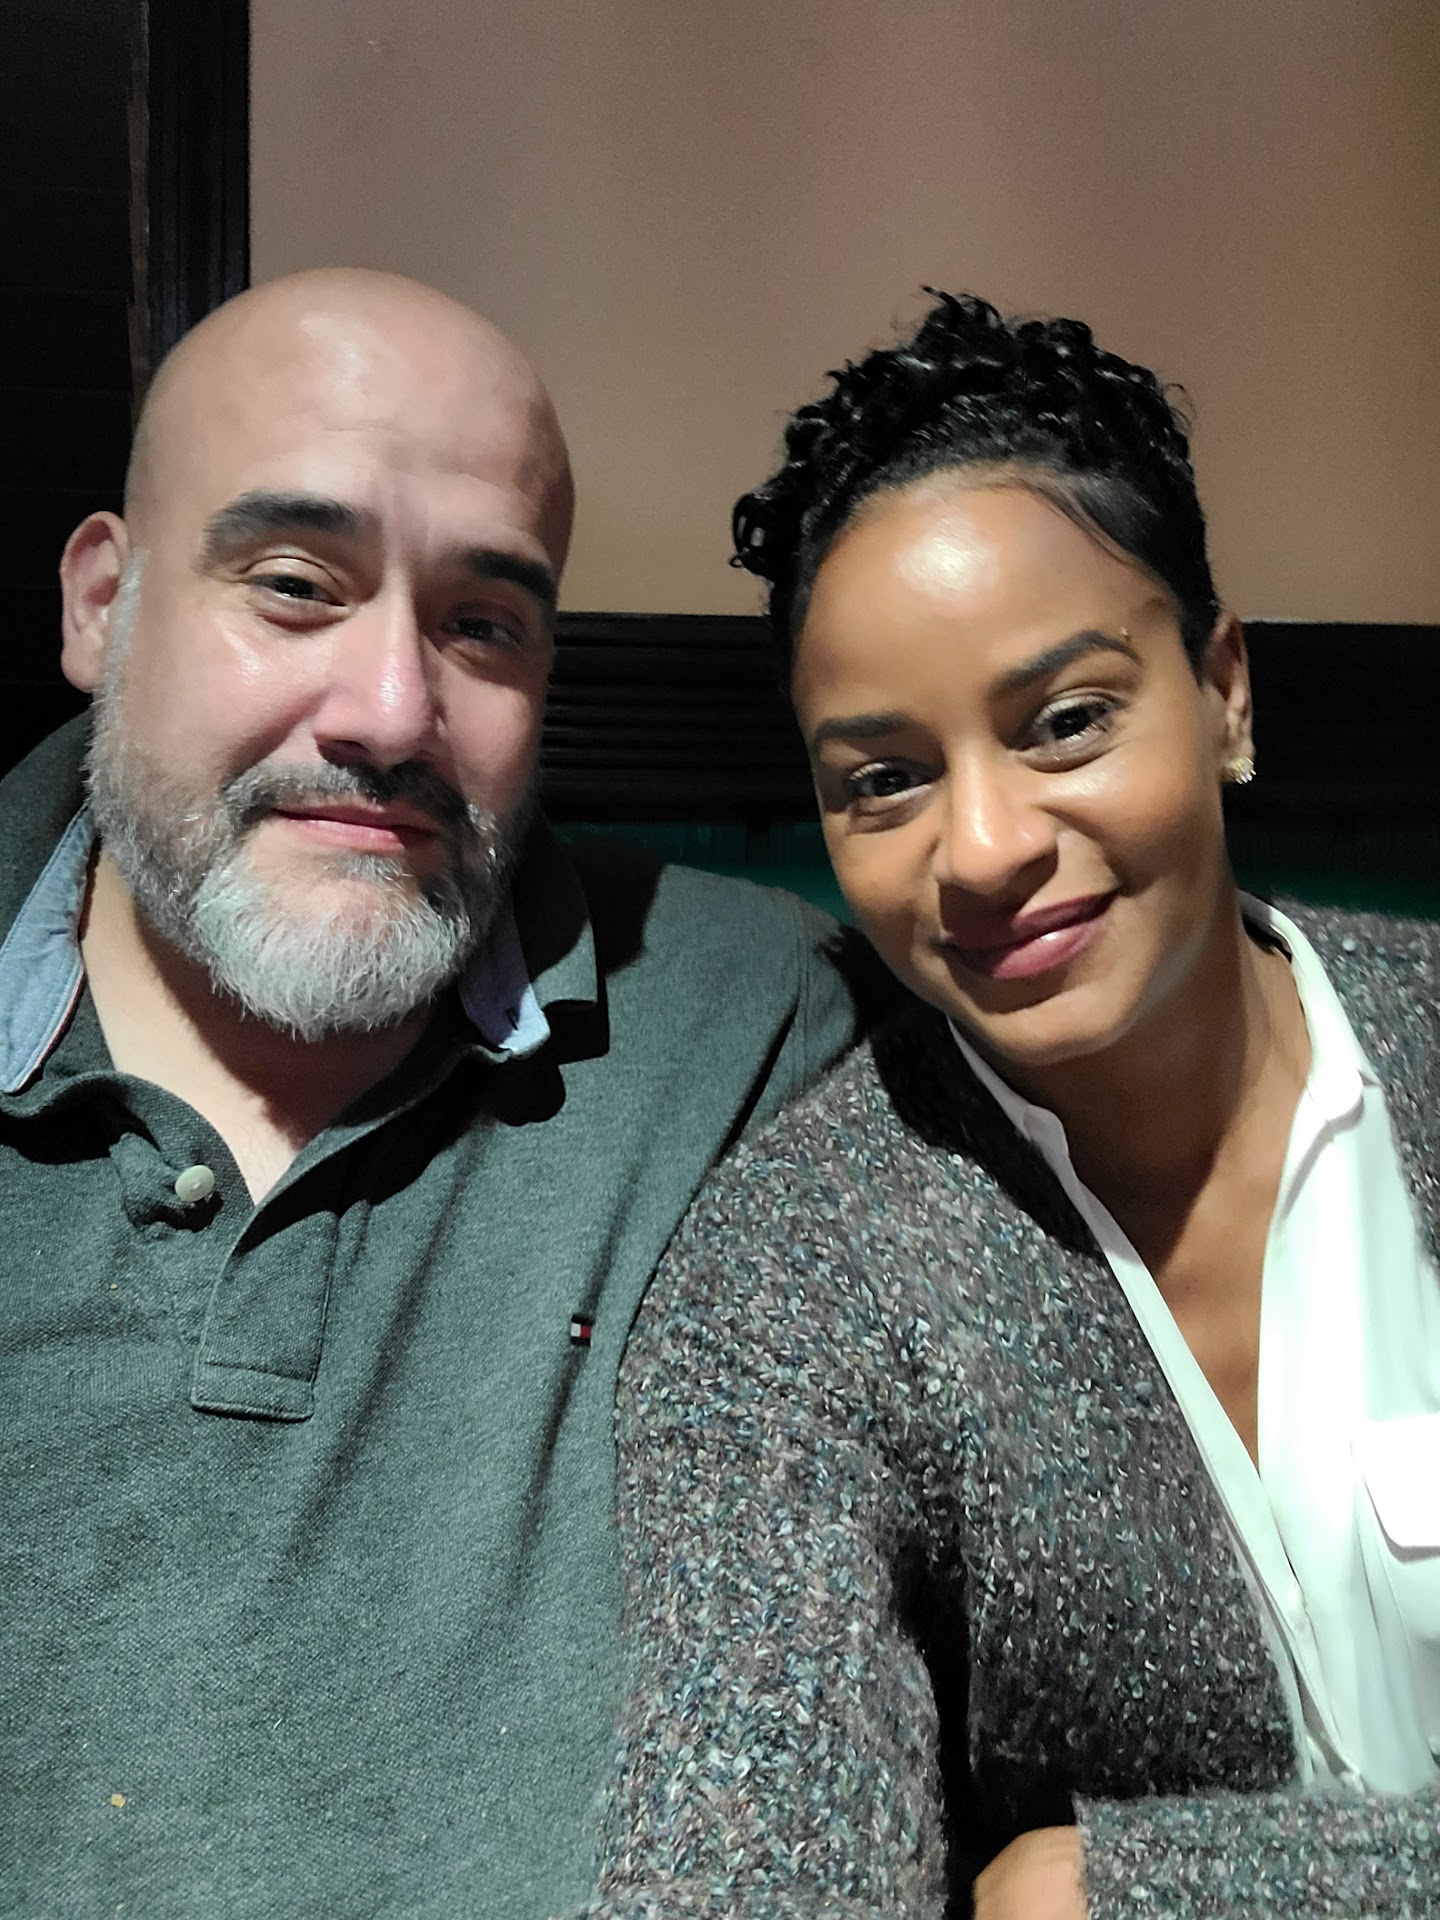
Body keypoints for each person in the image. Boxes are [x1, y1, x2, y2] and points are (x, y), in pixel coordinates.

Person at [0, 268, 876, 1920]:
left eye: (484, 623)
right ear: (103, 605)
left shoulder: (752, 1037)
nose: (394, 713)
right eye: (294, 586)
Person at [580, 294, 1440, 1918]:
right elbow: (748, 1845)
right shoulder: (795, 1283)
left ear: (1227, 693)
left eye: (1068, 721)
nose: (982, 850)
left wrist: (1109, 1892)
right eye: (884, 779)